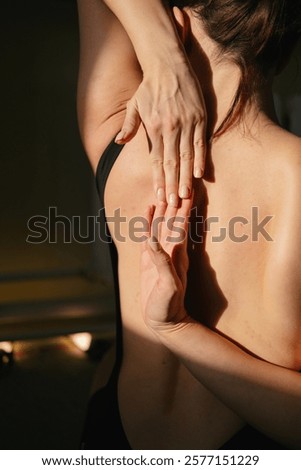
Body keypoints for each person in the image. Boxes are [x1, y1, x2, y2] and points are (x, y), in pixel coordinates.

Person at [77, 0, 301, 449]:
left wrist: (161, 52)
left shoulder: (115, 131)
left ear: (175, 20)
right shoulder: (294, 179)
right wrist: (176, 328)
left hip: (112, 434)